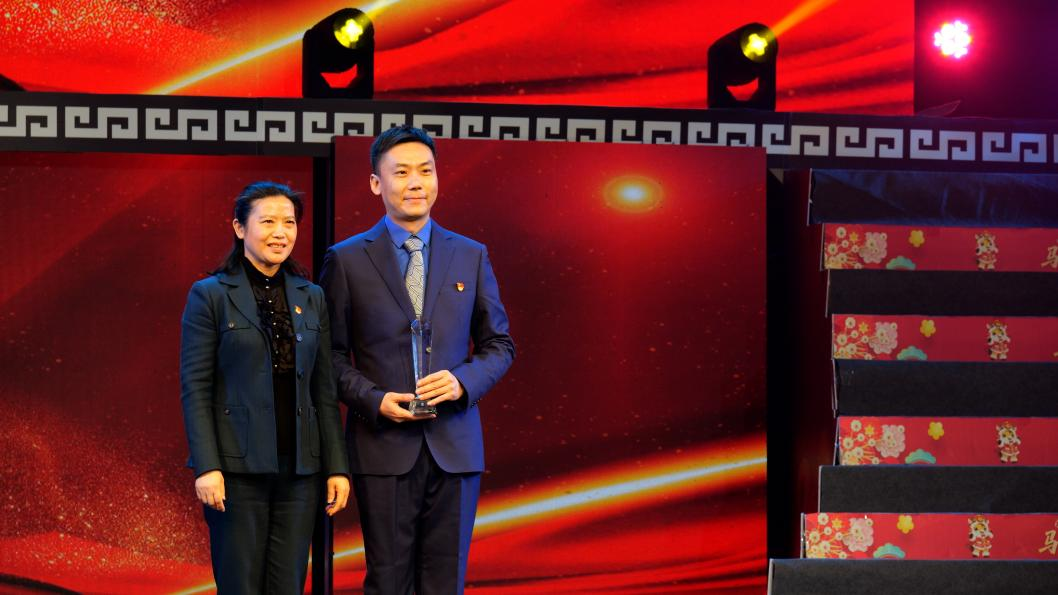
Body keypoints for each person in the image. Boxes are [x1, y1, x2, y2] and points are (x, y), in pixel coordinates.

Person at [320, 125, 515, 594]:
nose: (415, 183)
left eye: (425, 171)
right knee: (388, 583)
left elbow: (499, 345)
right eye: (401, 172)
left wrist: (463, 382)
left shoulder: (470, 254)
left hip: (455, 447)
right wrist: (373, 399)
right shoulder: (346, 259)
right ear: (376, 183)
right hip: (382, 448)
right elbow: (328, 356)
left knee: (446, 584)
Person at [180, 181, 351, 594]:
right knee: (240, 584)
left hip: (300, 472)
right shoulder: (210, 295)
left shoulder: (312, 296)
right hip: (235, 471)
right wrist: (207, 466)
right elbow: (196, 387)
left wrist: (336, 467)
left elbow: (323, 392)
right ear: (240, 228)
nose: (280, 233)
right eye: (268, 222)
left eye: (289, 223)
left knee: (287, 585)